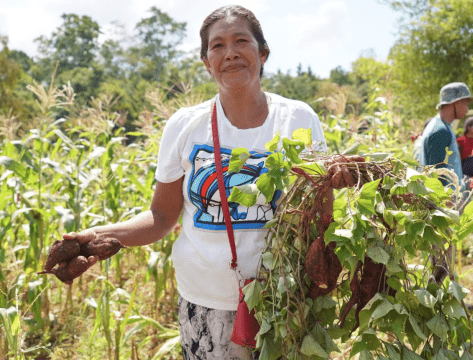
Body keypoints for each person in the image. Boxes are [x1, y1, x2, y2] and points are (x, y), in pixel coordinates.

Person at [60, 6, 362, 359]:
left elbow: (318, 219)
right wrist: (99, 236)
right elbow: (161, 216)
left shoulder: (296, 118)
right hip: (205, 304)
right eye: (217, 46)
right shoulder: (185, 125)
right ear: (206, 62)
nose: (230, 52)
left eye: (241, 41)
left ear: (262, 53)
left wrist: (331, 185)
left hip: (282, 300)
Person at [418, 82, 473, 191]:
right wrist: (447, 201)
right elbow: (437, 177)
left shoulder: (440, 126)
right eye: (466, 104)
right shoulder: (440, 131)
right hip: (442, 202)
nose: (467, 110)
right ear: (456, 102)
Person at [457, 116, 473, 243]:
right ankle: (465, 240)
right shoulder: (460, 141)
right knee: (466, 210)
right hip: (468, 181)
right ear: (468, 127)